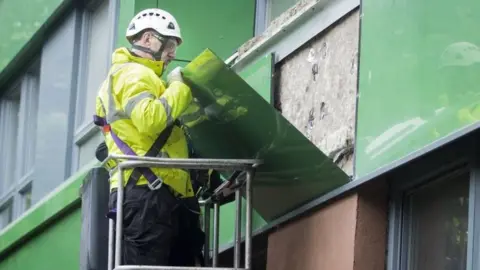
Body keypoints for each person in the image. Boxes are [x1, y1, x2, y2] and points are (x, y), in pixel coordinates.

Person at [93, 8, 205, 266]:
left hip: (158, 193)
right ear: (147, 39)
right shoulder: (132, 74)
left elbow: (171, 140)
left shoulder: (145, 78)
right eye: (169, 44)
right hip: (147, 194)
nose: (173, 54)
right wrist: (179, 88)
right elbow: (151, 119)